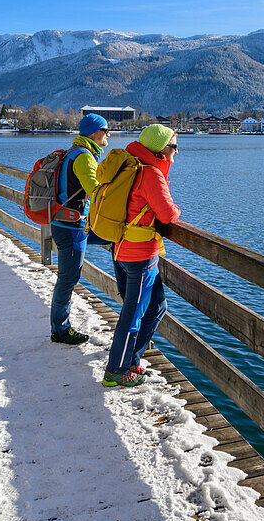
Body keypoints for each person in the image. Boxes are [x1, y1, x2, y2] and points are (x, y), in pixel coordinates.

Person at [102, 124, 180, 386]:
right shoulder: (150, 175)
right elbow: (168, 215)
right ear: (160, 149)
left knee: (157, 306)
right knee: (133, 314)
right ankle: (116, 372)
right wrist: (177, 210)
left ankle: (132, 359)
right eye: (173, 147)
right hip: (140, 256)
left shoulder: (130, 165)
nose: (176, 153)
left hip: (122, 250)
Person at [50, 113, 110, 344]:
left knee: (114, 239)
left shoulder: (74, 152)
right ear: (95, 132)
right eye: (106, 130)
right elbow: (95, 192)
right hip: (72, 226)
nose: (108, 135)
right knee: (68, 278)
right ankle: (60, 330)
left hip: (70, 224)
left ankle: (125, 292)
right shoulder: (84, 157)